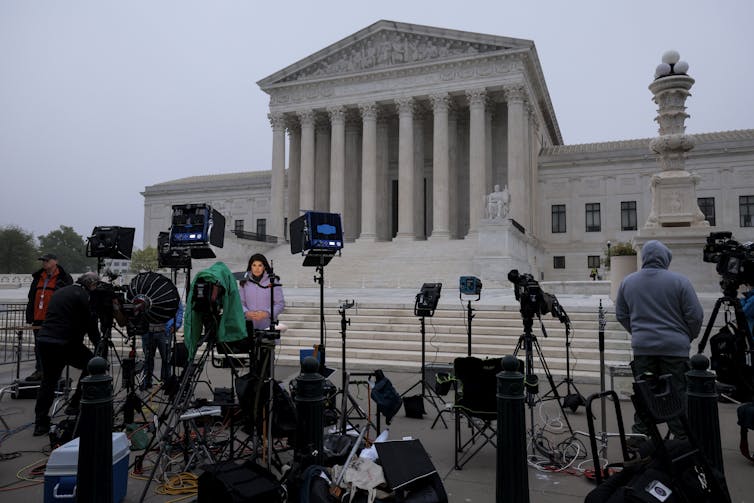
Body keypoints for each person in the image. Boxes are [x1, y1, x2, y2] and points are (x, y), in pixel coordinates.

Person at [615, 240, 703, 442]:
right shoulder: (680, 281)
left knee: (645, 392)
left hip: (643, 348)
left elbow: (621, 314)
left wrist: (637, 332)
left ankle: (640, 435)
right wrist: (687, 335)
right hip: (675, 349)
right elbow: (695, 315)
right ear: (666, 258)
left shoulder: (628, 282)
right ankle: (681, 438)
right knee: (676, 394)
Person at [33, 272, 101, 436]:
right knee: (92, 364)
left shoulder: (62, 291)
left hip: (45, 339)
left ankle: (40, 423)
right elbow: (90, 324)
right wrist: (99, 345)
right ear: (91, 284)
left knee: (48, 382)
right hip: (64, 342)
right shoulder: (83, 296)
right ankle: (75, 403)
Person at [24, 253, 73, 381]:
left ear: (55, 261)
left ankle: (54, 372)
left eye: (46, 260)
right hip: (38, 317)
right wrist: (29, 315)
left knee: (54, 346)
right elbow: (31, 297)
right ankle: (40, 370)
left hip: (55, 319)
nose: (44, 262)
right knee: (39, 346)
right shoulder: (38, 277)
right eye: (43, 260)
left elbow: (69, 298)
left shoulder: (64, 277)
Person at [140, 299, 184, 390]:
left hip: (165, 331)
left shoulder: (168, 290)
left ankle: (166, 382)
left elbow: (179, 309)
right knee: (148, 358)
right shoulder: (147, 289)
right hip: (148, 331)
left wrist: (176, 325)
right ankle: (147, 381)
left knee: (166, 359)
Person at [238, 253, 285, 332]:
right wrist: (246, 313)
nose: (257, 268)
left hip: (268, 325)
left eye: (260, 265)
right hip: (248, 326)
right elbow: (240, 303)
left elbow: (280, 304)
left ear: (264, 267)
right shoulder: (244, 282)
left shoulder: (273, 281)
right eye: (254, 265)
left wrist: (267, 313)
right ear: (250, 267)